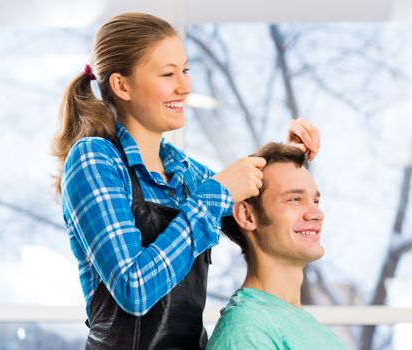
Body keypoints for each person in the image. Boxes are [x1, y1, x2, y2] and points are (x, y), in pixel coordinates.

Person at [52, 12, 320, 349]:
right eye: (168, 74)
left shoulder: (184, 171)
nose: (185, 86)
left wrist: (285, 158)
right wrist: (214, 196)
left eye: (185, 70)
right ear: (122, 85)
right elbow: (133, 287)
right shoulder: (95, 159)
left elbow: (253, 211)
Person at [207, 142, 347, 349]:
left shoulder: (303, 325)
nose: (317, 214)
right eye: (294, 199)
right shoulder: (246, 330)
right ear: (247, 215)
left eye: (315, 201)